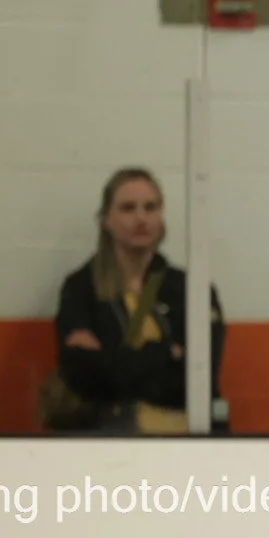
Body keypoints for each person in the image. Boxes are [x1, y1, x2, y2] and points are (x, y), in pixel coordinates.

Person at [39, 167, 224, 434]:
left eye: (151, 207)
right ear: (106, 219)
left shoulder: (190, 289)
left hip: (186, 439)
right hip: (106, 437)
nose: (141, 218)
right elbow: (81, 376)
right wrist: (165, 353)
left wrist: (115, 362)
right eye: (128, 208)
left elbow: (199, 377)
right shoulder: (82, 288)